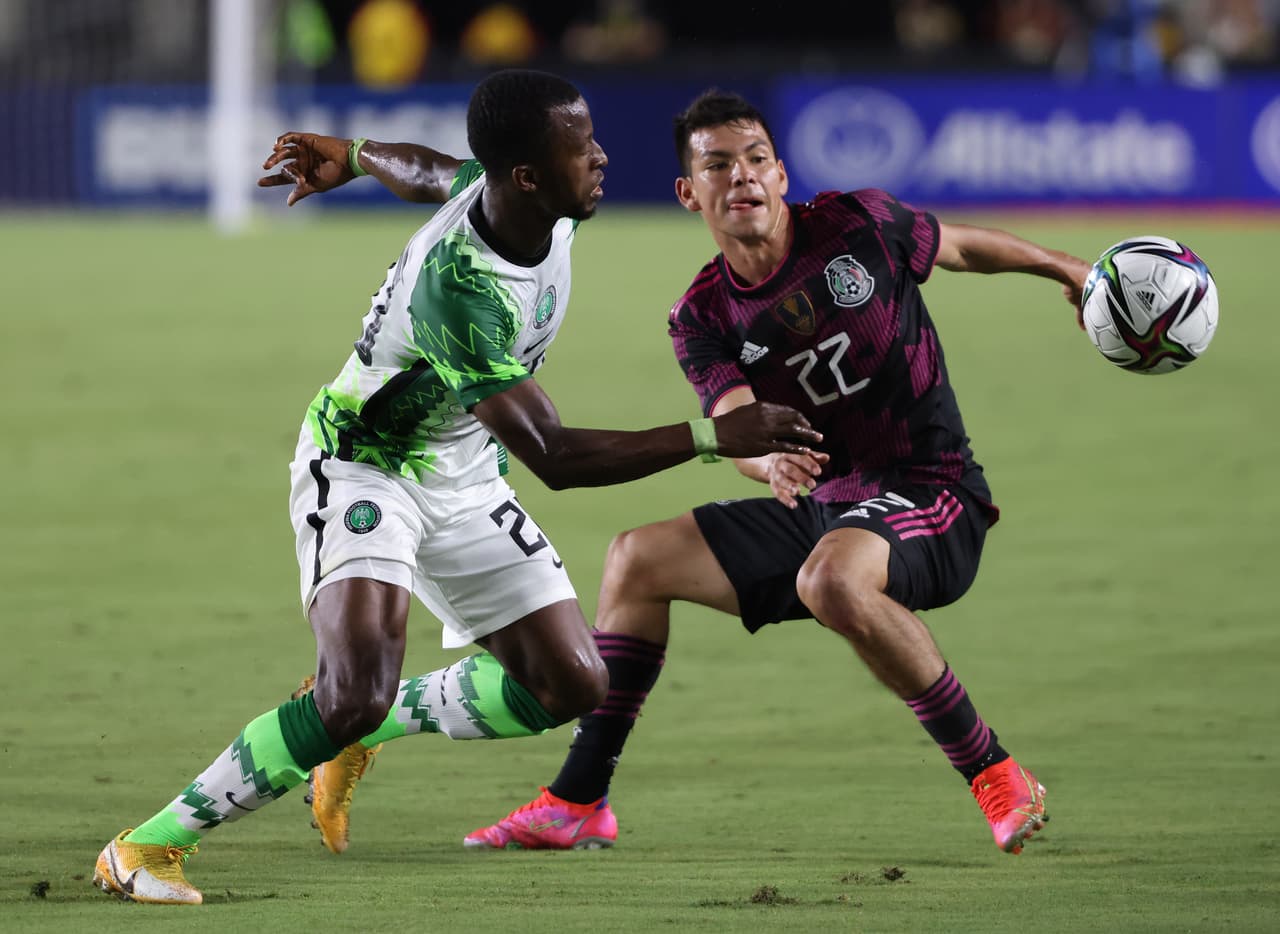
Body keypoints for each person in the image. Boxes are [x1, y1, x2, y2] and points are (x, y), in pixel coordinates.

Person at [91, 71, 820, 906]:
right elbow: (554, 454)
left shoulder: (520, 198)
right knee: (348, 692)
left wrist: (358, 155)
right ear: (528, 174)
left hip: (465, 468)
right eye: (581, 147)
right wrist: (709, 437)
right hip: (368, 463)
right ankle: (146, 847)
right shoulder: (460, 288)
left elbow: (433, 170)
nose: (601, 157)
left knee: (572, 684)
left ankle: (370, 724)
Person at [457, 89, 1093, 854]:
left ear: (783, 175)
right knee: (636, 559)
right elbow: (737, 422)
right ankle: (577, 799)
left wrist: (1067, 268)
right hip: (830, 509)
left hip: (934, 495)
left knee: (830, 580)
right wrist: (769, 463)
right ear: (689, 194)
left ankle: (994, 772)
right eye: (718, 165)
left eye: (756, 159)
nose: (742, 177)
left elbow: (960, 247)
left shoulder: (859, 225)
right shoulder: (702, 315)